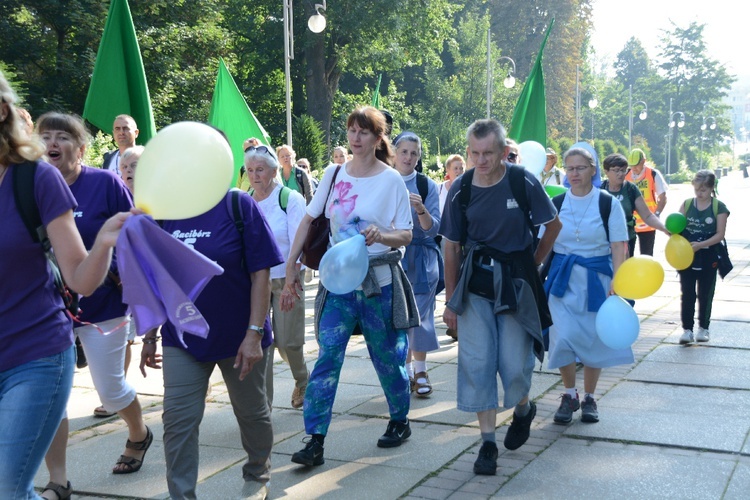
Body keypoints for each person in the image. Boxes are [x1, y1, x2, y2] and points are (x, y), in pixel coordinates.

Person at [0, 71, 130, 499]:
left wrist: (107, 240)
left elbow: (81, 280)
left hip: (33, 356)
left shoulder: (34, 178)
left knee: (8, 487)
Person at [140, 147, 283, 498]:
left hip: (239, 337)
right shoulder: (165, 213)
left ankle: (257, 474)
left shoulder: (238, 206)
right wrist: (150, 335)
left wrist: (254, 333)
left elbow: (261, 272)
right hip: (183, 339)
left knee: (253, 416)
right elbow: (157, 278)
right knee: (177, 422)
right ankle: (182, 494)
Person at [283, 106, 417, 467]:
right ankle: (315, 439)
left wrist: (381, 234)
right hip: (339, 283)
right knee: (327, 357)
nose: (355, 138)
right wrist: (291, 267)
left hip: (378, 282)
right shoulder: (334, 173)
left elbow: (406, 233)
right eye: (351, 131)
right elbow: (309, 220)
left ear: (377, 138)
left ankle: (400, 419)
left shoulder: (391, 181)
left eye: (364, 132)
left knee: (388, 357)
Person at [440, 119, 561, 476]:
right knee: (477, 363)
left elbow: (553, 226)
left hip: (516, 285)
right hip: (475, 286)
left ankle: (523, 408)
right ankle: (487, 443)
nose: (481, 160)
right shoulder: (461, 188)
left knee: (512, 365)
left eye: (488, 153)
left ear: (503, 151)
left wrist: (532, 264)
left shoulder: (522, 181)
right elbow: (451, 248)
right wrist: (450, 302)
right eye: (474, 153)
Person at [36, 112, 151, 486]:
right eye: (46, 136)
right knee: (53, 396)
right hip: (47, 310)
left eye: (63, 137)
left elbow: (136, 236)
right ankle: (58, 479)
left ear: (82, 149)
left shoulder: (104, 184)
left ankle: (138, 432)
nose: (53, 143)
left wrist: (116, 274)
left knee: (111, 390)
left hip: (102, 305)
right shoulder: (32, 186)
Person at [542, 147, 631, 426]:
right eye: (569, 168)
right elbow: (545, 244)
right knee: (563, 336)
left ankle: (589, 397)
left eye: (580, 168)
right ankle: (569, 394)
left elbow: (619, 245)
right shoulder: (555, 203)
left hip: (597, 279)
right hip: (563, 280)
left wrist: (618, 279)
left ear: (593, 170)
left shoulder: (607, 203)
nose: (574, 173)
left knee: (594, 338)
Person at [244, 146, 310, 409]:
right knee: (260, 342)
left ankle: (303, 379)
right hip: (255, 282)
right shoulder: (245, 200)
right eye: (250, 170)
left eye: (260, 169)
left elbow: (299, 241)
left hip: (286, 278)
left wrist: (291, 282)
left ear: (273, 171)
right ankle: (263, 403)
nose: (254, 175)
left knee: (288, 341)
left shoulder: (290, 198)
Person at [393, 132, 442, 397]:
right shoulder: (384, 180)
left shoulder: (426, 185)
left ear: (419, 156)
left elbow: (434, 229)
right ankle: (405, 371)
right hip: (393, 258)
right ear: (394, 153)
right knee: (399, 318)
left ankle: (420, 370)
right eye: (404, 152)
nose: (409, 157)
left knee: (421, 316)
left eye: (414, 153)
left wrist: (421, 210)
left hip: (423, 260)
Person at [677, 170, 730, 345]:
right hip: (688, 255)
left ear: (711, 188)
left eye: (703, 190)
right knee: (687, 293)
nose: (699, 193)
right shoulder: (687, 204)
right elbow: (676, 227)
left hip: (709, 254)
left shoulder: (718, 207)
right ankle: (687, 330)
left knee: (705, 293)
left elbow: (720, 234)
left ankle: (704, 328)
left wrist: (700, 244)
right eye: (697, 189)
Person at [601, 153, 669, 257]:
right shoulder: (599, 190)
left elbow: (647, 215)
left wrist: (664, 228)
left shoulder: (630, 189)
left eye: (623, 170)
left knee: (624, 270)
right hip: (604, 242)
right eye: (616, 170)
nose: (621, 174)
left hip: (627, 240)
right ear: (606, 172)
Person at [624, 148, 667, 256]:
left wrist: (656, 214)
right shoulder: (626, 175)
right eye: (631, 165)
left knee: (647, 256)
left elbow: (663, 197)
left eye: (636, 165)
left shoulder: (653, 174)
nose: (633, 168)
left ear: (643, 161)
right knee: (627, 257)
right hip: (630, 224)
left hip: (648, 224)